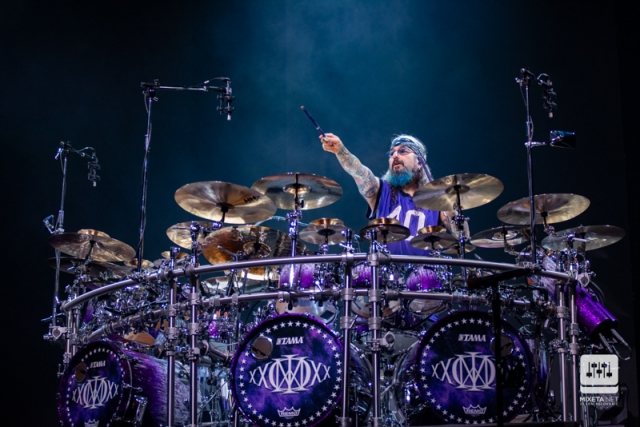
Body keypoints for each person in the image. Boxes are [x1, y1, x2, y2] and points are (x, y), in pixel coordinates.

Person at [320, 132, 451, 255]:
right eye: (392, 153)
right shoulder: (381, 190)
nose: (395, 155)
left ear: (420, 162)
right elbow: (359, 171)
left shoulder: (437, 200)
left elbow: (460, 232)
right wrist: (340, 150)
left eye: (403, 151)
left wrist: (452, 204)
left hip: (427, 271)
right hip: (386, 269)